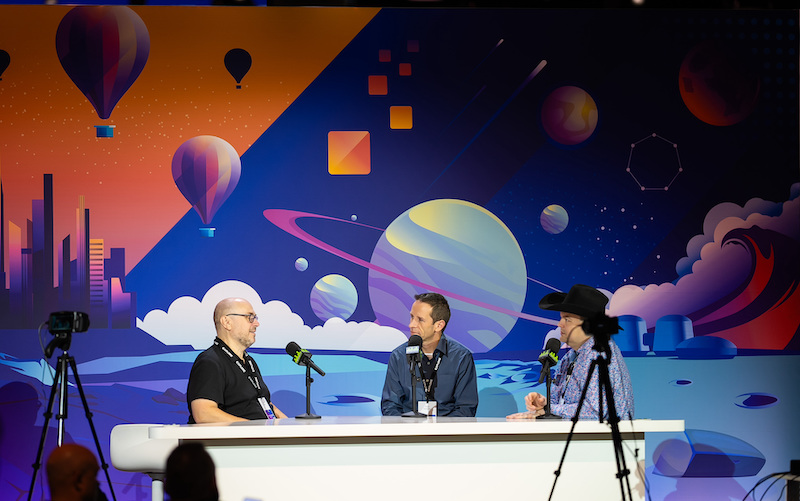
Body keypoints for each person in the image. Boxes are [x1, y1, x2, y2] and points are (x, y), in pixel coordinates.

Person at [507, 284, 634, 421]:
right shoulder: (569, 358)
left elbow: (595, 410)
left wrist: (549, 409)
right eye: (561, 318)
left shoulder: (601, 354)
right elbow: (558, 404)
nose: (559, 324)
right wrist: (542, 405)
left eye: (567, 319)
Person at [187, 297, 287, 423]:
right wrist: (253, 429)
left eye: (256, 318)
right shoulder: (209, 362)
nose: (256, 324)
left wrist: (289, 425)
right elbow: (204, 414)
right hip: (236, 441)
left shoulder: (249, 362)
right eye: (250, 317)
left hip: (261, 438)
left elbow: (263, 402)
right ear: (227, 322)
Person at [381, 292, 478, 417]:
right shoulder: (399, 356)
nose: (411, 325)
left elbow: (466, 408)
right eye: (412, 317)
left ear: (439, 325)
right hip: (408, 432)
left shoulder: (461, 357)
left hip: (446, 432)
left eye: (420, 320)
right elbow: (390, 405)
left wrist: (439, 432)